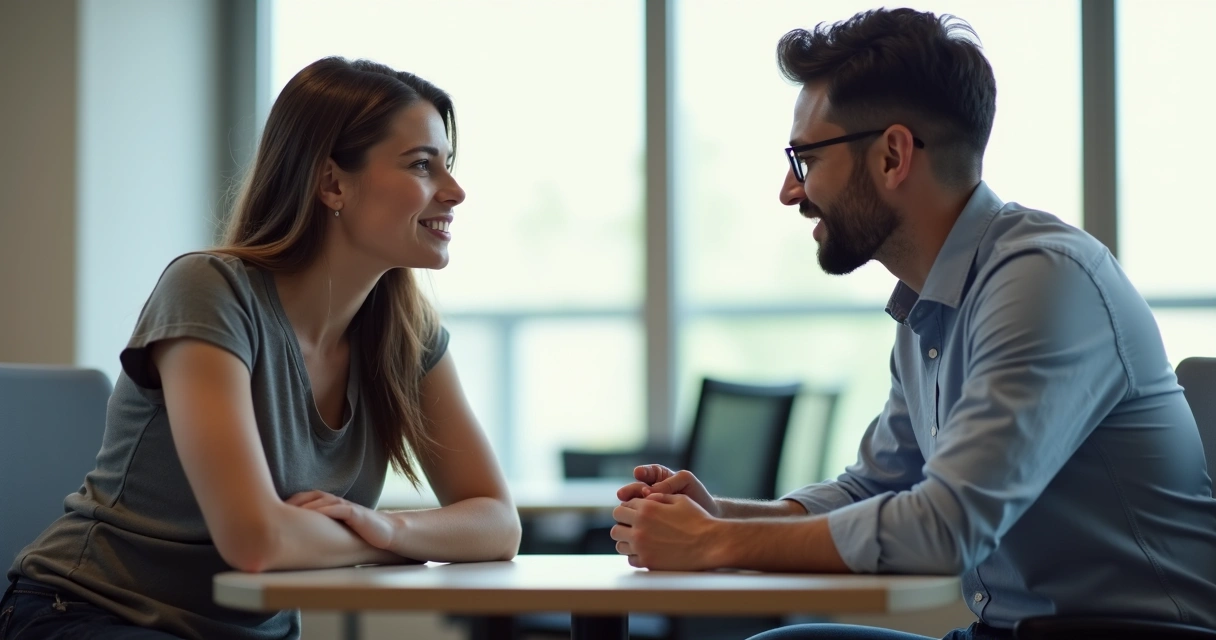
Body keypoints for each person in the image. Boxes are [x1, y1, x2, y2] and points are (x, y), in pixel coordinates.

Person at [611, 8, 1216, 640]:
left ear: (893, 156)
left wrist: (714, 544)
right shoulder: (932, 303)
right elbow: (875, 488)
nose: (791, 191)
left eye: (805, 158)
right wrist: (723, 517)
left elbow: (944, 528)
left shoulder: (1045, 281)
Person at [1, 57, 520, 640]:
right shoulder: (209, 291)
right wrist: (387, 541)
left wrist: (388, 529)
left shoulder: (407, 334)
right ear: (332, 183)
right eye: (422, 165)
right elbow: (256, 542)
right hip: (89, 613)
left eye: (447, 165)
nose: (455, 191)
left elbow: (498, 523)